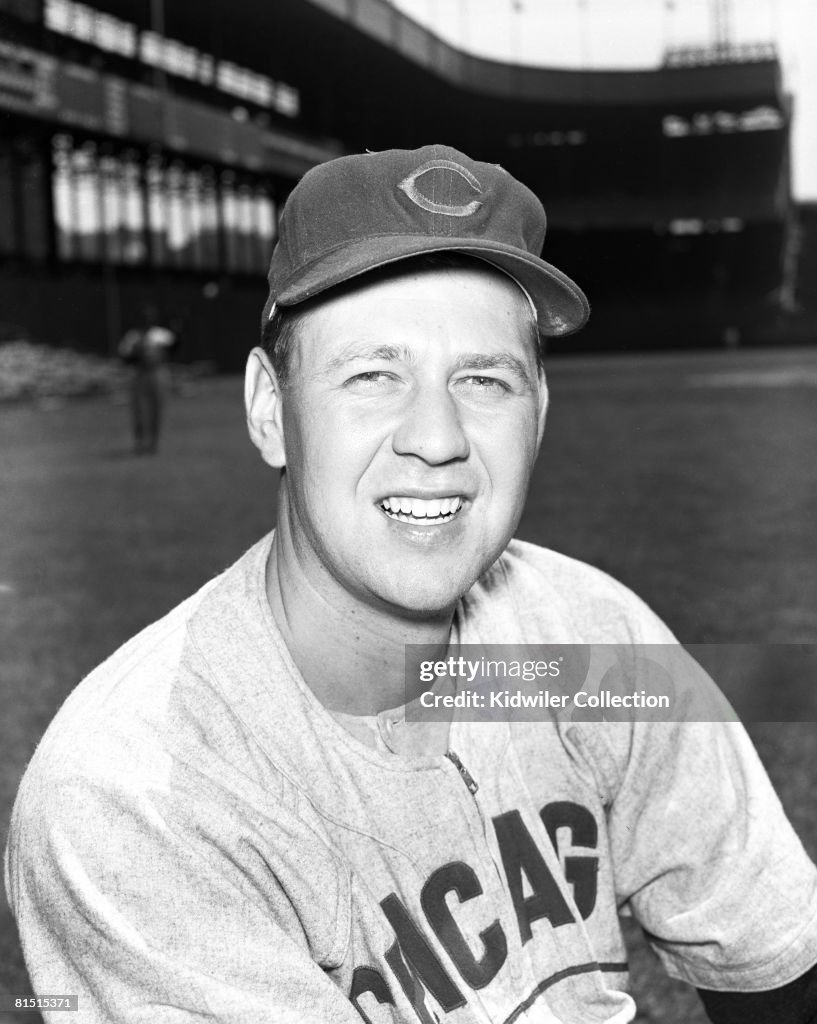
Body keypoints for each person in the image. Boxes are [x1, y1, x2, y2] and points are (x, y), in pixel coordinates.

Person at [6, 145, 817, 1023]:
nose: (435, 437)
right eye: (372, 375)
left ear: (538, 413)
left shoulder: (593, 638)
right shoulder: (134, 796)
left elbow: (773, 966)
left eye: (482, 379)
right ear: (269, 410)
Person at [118, 304, 177, 454]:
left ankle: (154, 443)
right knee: (139, 409)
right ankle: (140, 442)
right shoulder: (133, 336)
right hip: (139, 373)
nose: (147, 319)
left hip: (157, 372)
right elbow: (124, 357)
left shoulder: (161, 334)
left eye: (150, 316)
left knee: (157, 407)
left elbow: (174, 349)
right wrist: (138, 353)